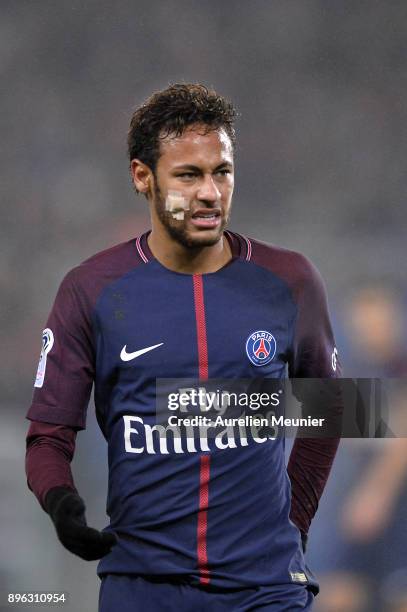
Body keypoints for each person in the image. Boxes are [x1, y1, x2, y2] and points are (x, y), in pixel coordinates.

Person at [26, 83, 341, 611]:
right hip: (142, 585)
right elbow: (47, 436)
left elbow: (329, 414)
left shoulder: (291, 280)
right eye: (188, 175)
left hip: (267, 589)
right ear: (142, 177)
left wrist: (295, 523)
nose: (211, 193)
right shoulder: (91, 290)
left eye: (222, 171)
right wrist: (62, 504)